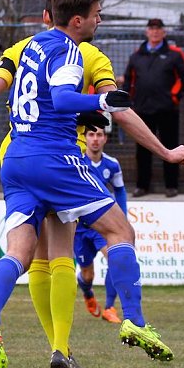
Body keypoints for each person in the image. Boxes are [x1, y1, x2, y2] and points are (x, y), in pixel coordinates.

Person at [0, 0, 184, 368]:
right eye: (98, 14)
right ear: (76, 19)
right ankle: (133, 322)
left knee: (22, 254)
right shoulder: (80, 52)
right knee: (118, 233)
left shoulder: (24, 47)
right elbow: (77, 102)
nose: (101, 20)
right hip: (57, 158)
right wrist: (153, 143)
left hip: (15, 158)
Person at [122, 18, 184, 198]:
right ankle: (142, 185)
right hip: (143, 110)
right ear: (147, 32)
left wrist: (173, 97)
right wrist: (130, 102)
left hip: (167, 110)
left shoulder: (174, 54)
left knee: (170, 146)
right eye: (151, 29)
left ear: (164, 32)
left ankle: (171, 185)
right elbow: (129, 81)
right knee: (143, 148)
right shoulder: (136, 56)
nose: (154, 32)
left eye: (158, 29)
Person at [74, 128, 126, 324]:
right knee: (88, 274)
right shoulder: (77, 161)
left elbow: (120, 191)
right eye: (91, 135)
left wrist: (122, 218)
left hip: (102, 225)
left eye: (99, 135)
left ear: (105, 138)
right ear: (85, 138)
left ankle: (110, 307)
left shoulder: (112, 165)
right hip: (79, 228)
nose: (95, 139)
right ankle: (87, 292)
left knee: (115, 257)